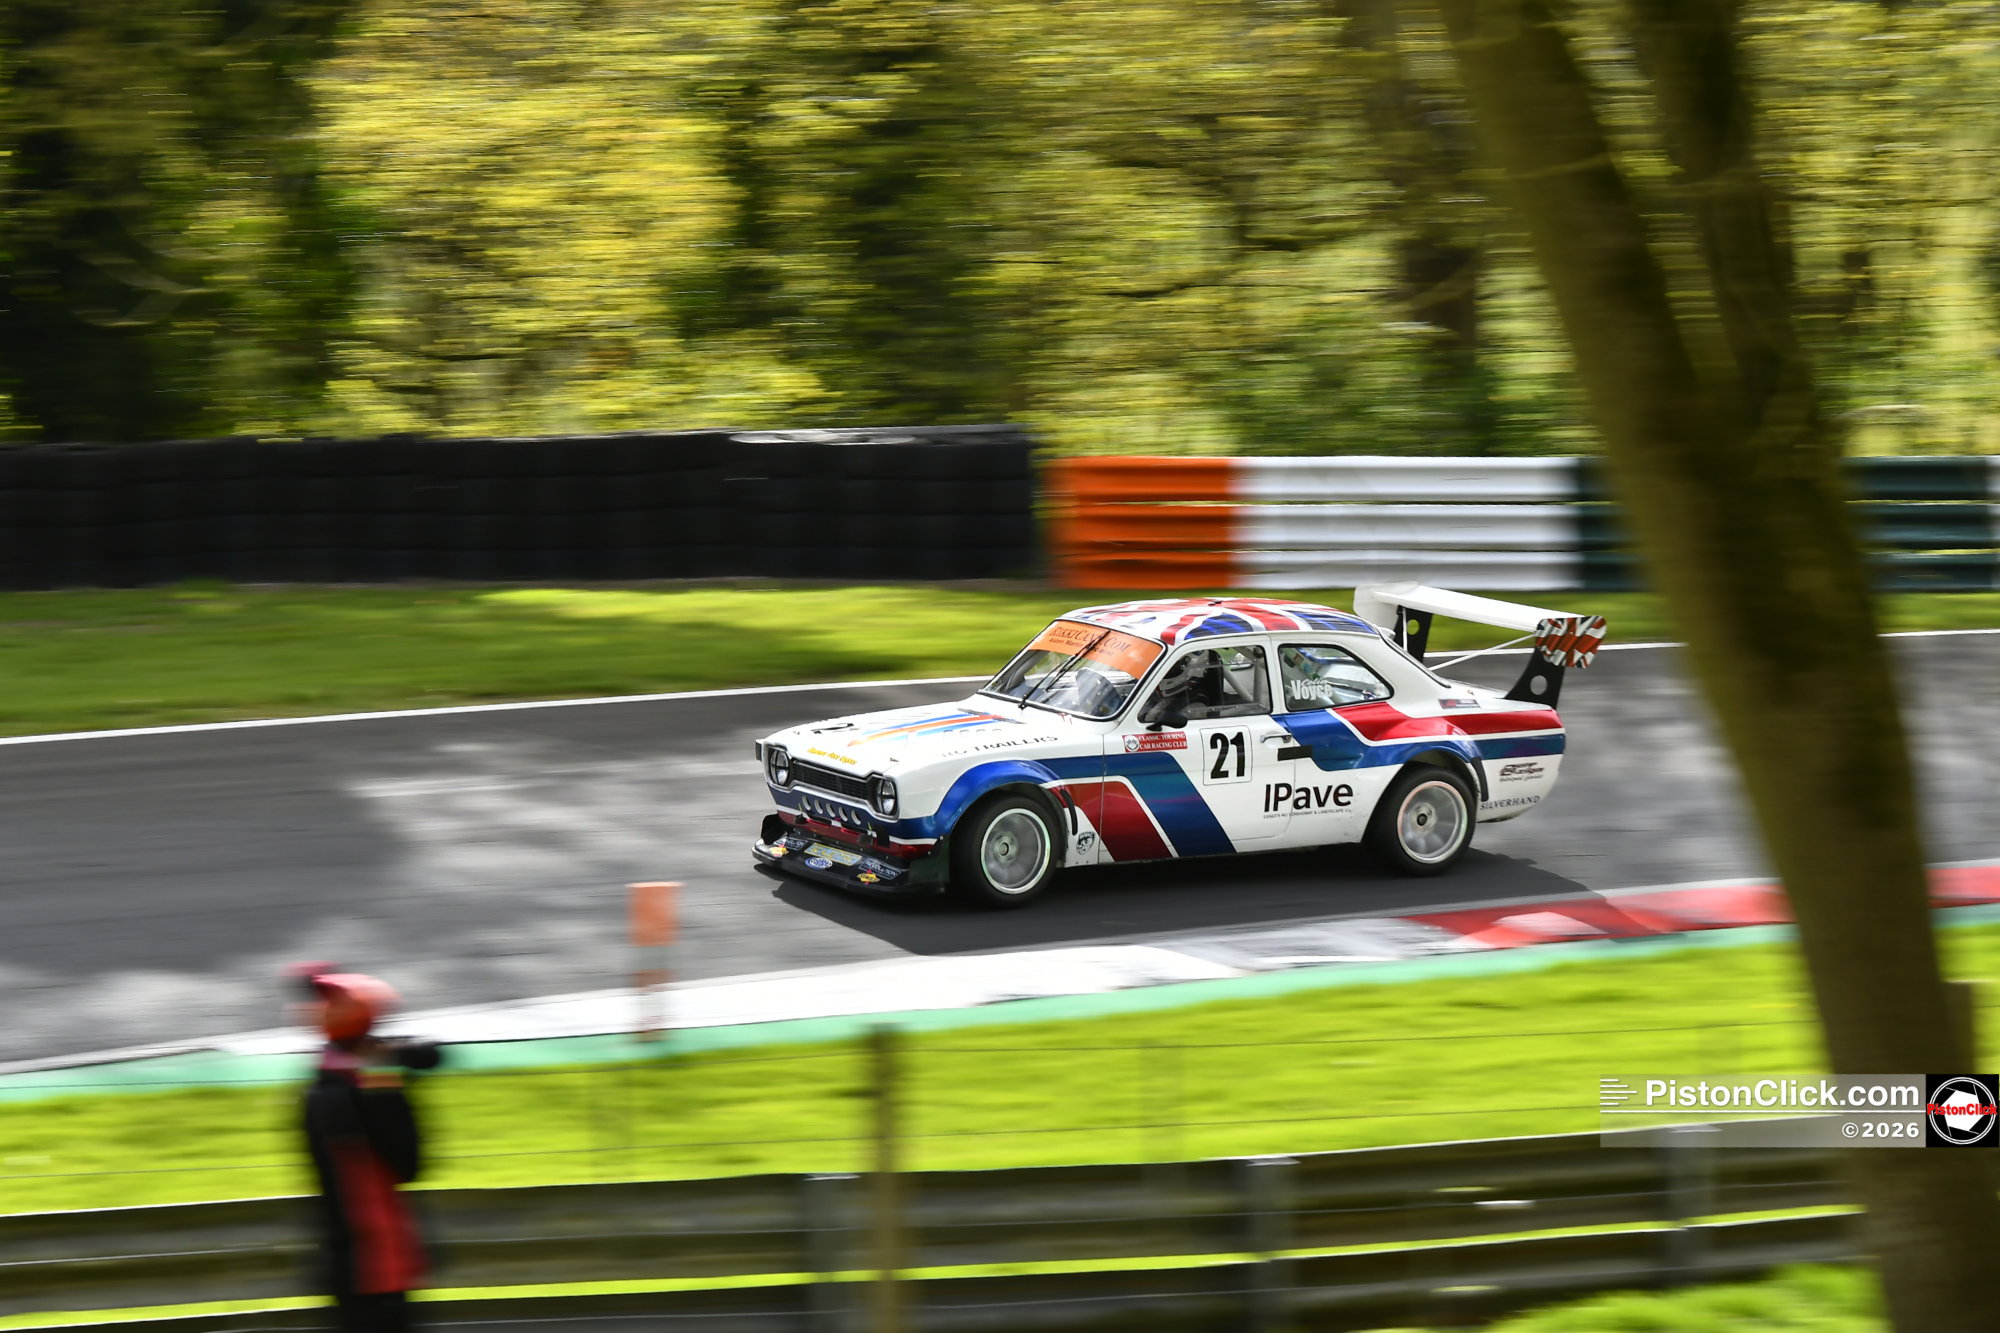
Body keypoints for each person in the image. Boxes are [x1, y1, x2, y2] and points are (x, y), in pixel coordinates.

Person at [293, 966, 441, 1332]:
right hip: (380, 1260)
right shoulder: (372, 1090)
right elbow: (408, 1165)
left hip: (342, 1256)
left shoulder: (318, 1088)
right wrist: (388, 1082)